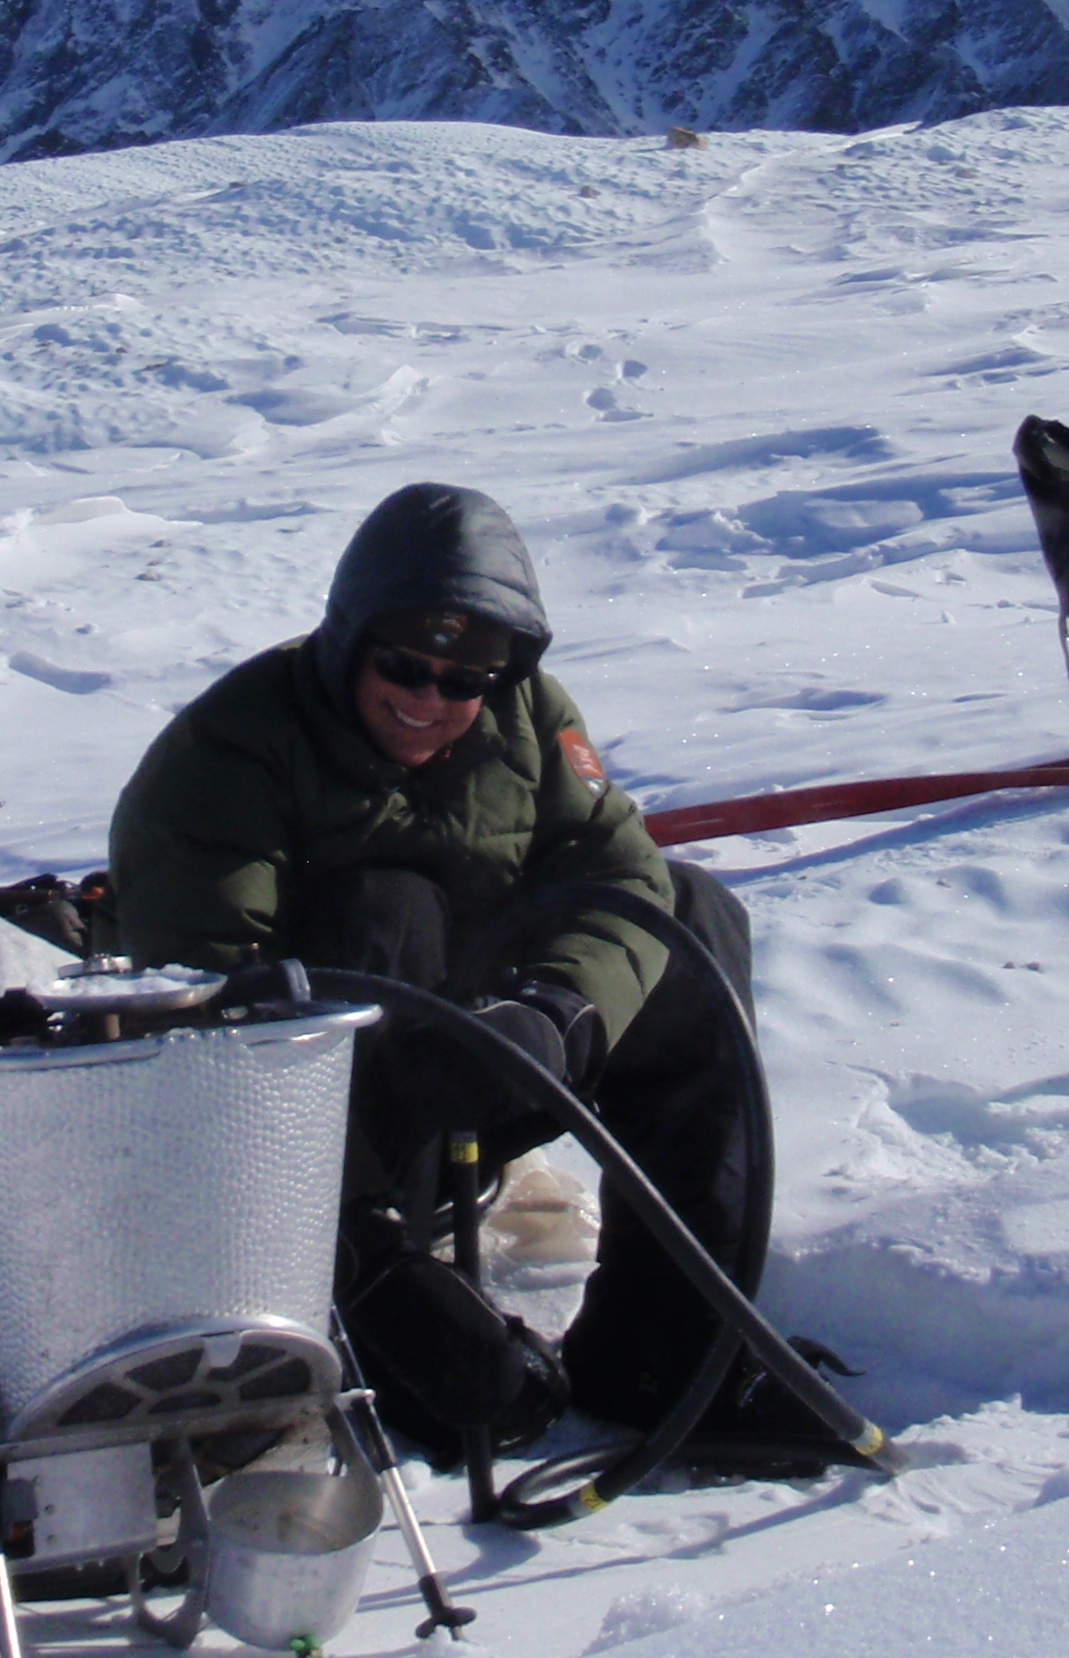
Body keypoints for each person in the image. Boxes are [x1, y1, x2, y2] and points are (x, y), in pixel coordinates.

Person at [108, 482, 788, 1451]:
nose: (429, 699)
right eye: (403, 665)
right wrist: (369, 1268)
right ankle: (363, 1283)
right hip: (298, 1143)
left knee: (696, 918)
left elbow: (624, 873)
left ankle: (670, 1355)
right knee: (390, 906)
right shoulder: (229, 752)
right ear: (349, 640)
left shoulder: (529, 723)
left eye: (462, 680)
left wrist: (555, 1013)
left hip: (477, 1066)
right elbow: (202, 1021)